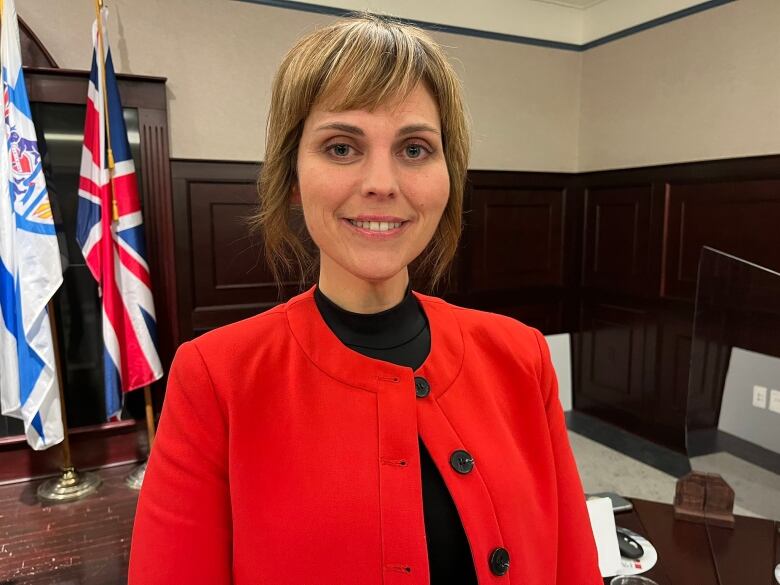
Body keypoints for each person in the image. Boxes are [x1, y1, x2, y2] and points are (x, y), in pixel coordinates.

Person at [128, 14, 601, 585]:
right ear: (294, 179)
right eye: (343, 146)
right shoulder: (216, 379)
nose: (382, 181)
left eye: (415, 149)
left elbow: (574, 564)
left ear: (448, 175)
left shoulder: (521, 356)